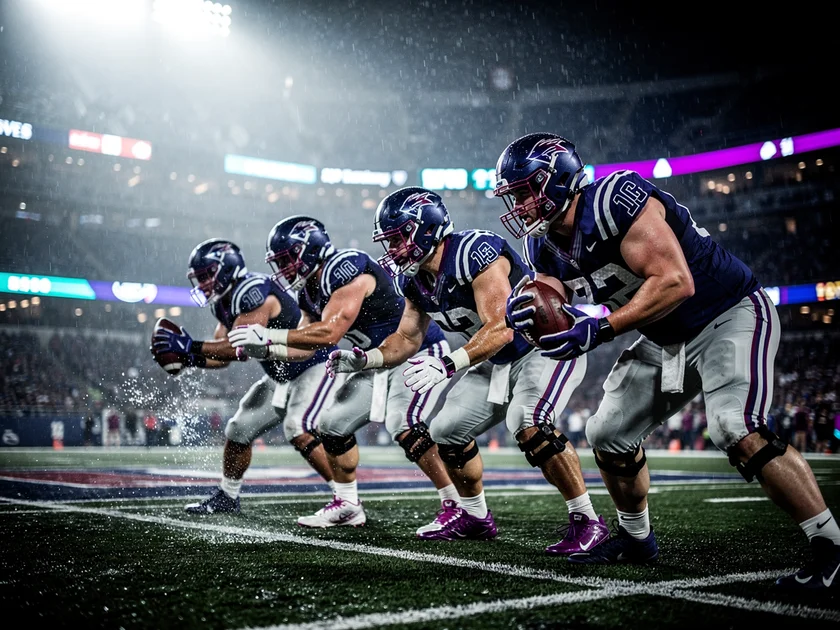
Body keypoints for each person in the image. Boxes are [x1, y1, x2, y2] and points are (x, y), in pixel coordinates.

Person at [496, 132, 840, 588]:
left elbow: (676, 282)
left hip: (726, 313)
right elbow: (549, 297)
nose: (519, 206)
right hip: (665, 337)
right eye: (513, 196)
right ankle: (636, 537)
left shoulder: (615, 200)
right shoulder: (542, 244)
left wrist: (598, 327)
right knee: (607, 433)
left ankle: (831, 544)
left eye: (524, 192)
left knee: (736, 427)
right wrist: (525, 308)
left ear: (556, 180)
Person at [324, 187, 608, 553]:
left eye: (398, 239)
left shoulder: (474, 252)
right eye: (389, 241)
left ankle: (587, 520)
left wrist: (447, 364)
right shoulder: (413, 279)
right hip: (494, 360)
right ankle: (475, 516)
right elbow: (407, 338)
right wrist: (367, 359)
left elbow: (502, 326)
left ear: (425, 229)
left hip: (544, 348)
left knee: (527, 420)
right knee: (445, 429)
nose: (393, 250)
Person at [229, 217, 457, 535]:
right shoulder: (308, 290)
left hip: (414, 350)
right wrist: (266, 350)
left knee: (402, 425)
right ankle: (348, 505)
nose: (282, 268)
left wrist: (269, 337)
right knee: (331, 424)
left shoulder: (346, 268)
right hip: (371, 361)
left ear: (308, 251)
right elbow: (306, 346)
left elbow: (329, 333)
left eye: (286, 259)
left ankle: (455, 503)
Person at [151, 238, 340, 515]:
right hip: (281, 376)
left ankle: (345, 498)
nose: (201, 284)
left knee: (297, 428)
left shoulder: (252, 291)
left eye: (205, 276)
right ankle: (228, 496)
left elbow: (237, 344)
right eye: (198, 278)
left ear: (225, 269)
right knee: (239, 430)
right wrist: (190, 358)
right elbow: (222, 358)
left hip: (313, 363)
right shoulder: (224, 302)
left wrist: (190, 347)